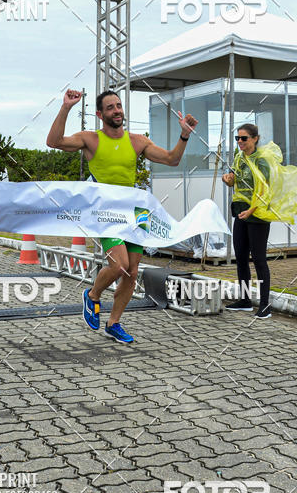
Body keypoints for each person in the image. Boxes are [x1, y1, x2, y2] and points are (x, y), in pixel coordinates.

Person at [47, 89, 198, 343]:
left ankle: (113, 323)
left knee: (132, 272)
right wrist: (66, 107)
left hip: (134, 212)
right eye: (110, 107)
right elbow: (54, 142)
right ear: (100, 114)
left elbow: (172, 159)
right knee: (119, 266)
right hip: (106, 212)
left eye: (119, 106)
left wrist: (184, 134)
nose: (117, 110)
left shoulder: (138, 141)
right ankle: (92, 295)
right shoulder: (90, 139)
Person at [221, 124, 278, 320]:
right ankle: (245, 300)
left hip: (258, 214)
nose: (240, 141)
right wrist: (227, 180)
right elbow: (233, 181)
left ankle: (265, 305)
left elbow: (266, 189)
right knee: (241, 258)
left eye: (244, 138)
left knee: (259, 259)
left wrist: (252, 210)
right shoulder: (239, 158)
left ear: (255, 139)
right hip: (241, 212)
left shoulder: (262, 160)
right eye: (237, 138)